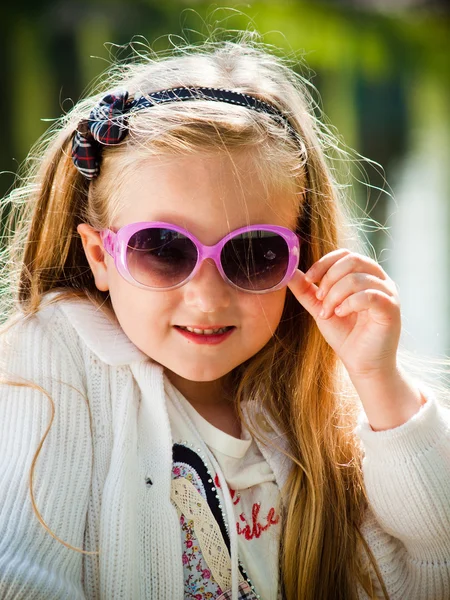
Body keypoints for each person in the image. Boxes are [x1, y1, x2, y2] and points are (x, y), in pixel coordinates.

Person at [0, 33, 449, 600]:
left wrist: (378, 381)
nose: (208, 298)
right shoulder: (55, 364)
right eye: (163, 248)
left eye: (254, 253)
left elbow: (431, 571)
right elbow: (20, 574)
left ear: (300, 257)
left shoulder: (316, 415)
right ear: (100, 256)